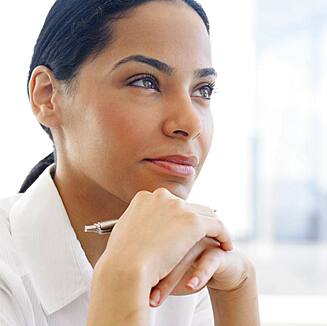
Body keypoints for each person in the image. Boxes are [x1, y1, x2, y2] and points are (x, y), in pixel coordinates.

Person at [0, 0, 260, 325]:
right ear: (48, 95)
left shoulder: (195, 269)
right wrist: (121, 280)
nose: (190, 122)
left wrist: (238, 290)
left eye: (203, 90)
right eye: (145, 82)